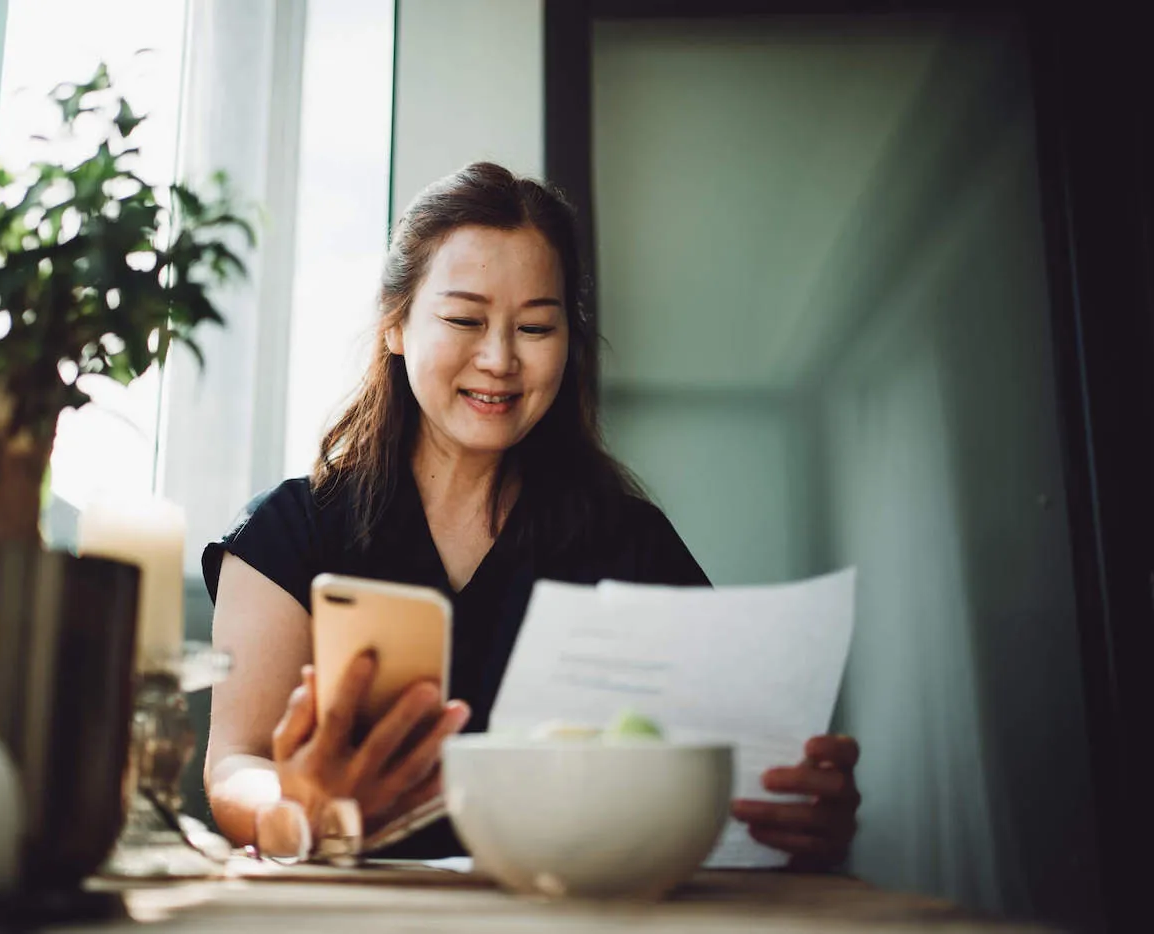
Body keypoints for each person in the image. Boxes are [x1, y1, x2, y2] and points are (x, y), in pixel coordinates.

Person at [202, 162, 860, 868]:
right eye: (464, 319)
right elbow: (235, 761)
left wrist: (794, 807)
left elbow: (722, 774)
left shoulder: (631, 545)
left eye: (536, 327)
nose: (499, 359)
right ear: (395, 327)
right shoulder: (290, 531)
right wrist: (293, 809)